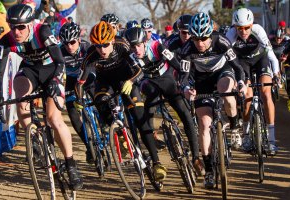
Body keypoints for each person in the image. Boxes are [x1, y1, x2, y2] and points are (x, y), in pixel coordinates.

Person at [0, 4, 83, 190]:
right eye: (12, 26)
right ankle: (33, 137)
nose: (16, 32)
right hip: (31, 69)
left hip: (53, 70)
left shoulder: (43, 31)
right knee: (19, 89)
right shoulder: (7, 40)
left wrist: (56, 84)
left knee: (53, 118)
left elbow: (59, 62)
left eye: (21, 27)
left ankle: (71, 164)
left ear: (30, 24)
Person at [76, 21, 167, 181]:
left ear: (111, 41)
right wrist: (79, 99)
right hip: (105, 83)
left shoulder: (122, 45)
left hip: (126, 79)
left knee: (140, 119)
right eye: (98, 46)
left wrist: (131, 81)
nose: (102, 50)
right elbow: (80, 82)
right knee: (100, 101)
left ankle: (156, 162)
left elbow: (139, 70)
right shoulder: (91, 54)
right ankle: (120, 134)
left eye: (105, 45)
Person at [124, 26, 204, 176]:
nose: (136, 49)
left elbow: (176, 63)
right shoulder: (130, 58)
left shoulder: (156, 46)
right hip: (148, 83)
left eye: (139, 45)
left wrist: (185, 82)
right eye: (133, 46)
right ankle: (156, 163)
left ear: (144, 42)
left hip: (166, 79)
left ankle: (196, 158)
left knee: (185, 113)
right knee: (145, 120)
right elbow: (134, 78)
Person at [180, 13, 246, 189]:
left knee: (226, 92)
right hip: (202, 82)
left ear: (211, 34)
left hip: (222, 73)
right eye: (195, 39)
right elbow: (184, 78)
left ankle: (234, 126)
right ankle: (209, 170)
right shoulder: (187, 49)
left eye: (204, 38)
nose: (200, 43)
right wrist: (187, 89)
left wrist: (240, 83)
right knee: (203, 123)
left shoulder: (221, 41)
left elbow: (238, 67)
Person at [226, 8, 280, 156]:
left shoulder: (258, 30)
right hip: (243, 63)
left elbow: (272, 56)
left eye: (246, 28)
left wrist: (276, 73)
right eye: (240, 28)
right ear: (235, 27)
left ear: (251, 25)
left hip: (260, 59)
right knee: (247, 96)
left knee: (266, 93)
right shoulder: (230, 35)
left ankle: (272, 138)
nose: (243, 31)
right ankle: (247, 135)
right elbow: (224, 59)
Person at [59, 22, 94, 163]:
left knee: (97, 95)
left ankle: (103, 126)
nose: (69, 46)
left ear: (79, 39)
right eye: (66, 43)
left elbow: (94, 67)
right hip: (71, 81)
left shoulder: (87, 48)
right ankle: (89, 146)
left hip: (88, 76)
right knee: (73, 115)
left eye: (72, 42)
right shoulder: (60, 52)